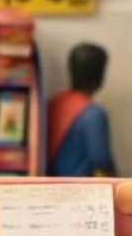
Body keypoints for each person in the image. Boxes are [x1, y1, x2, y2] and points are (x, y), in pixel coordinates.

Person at [46, 43, 115, 177]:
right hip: (79, 188)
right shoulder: (93, 115)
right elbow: (101, 161)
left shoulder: (53, 103)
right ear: (99, 75)